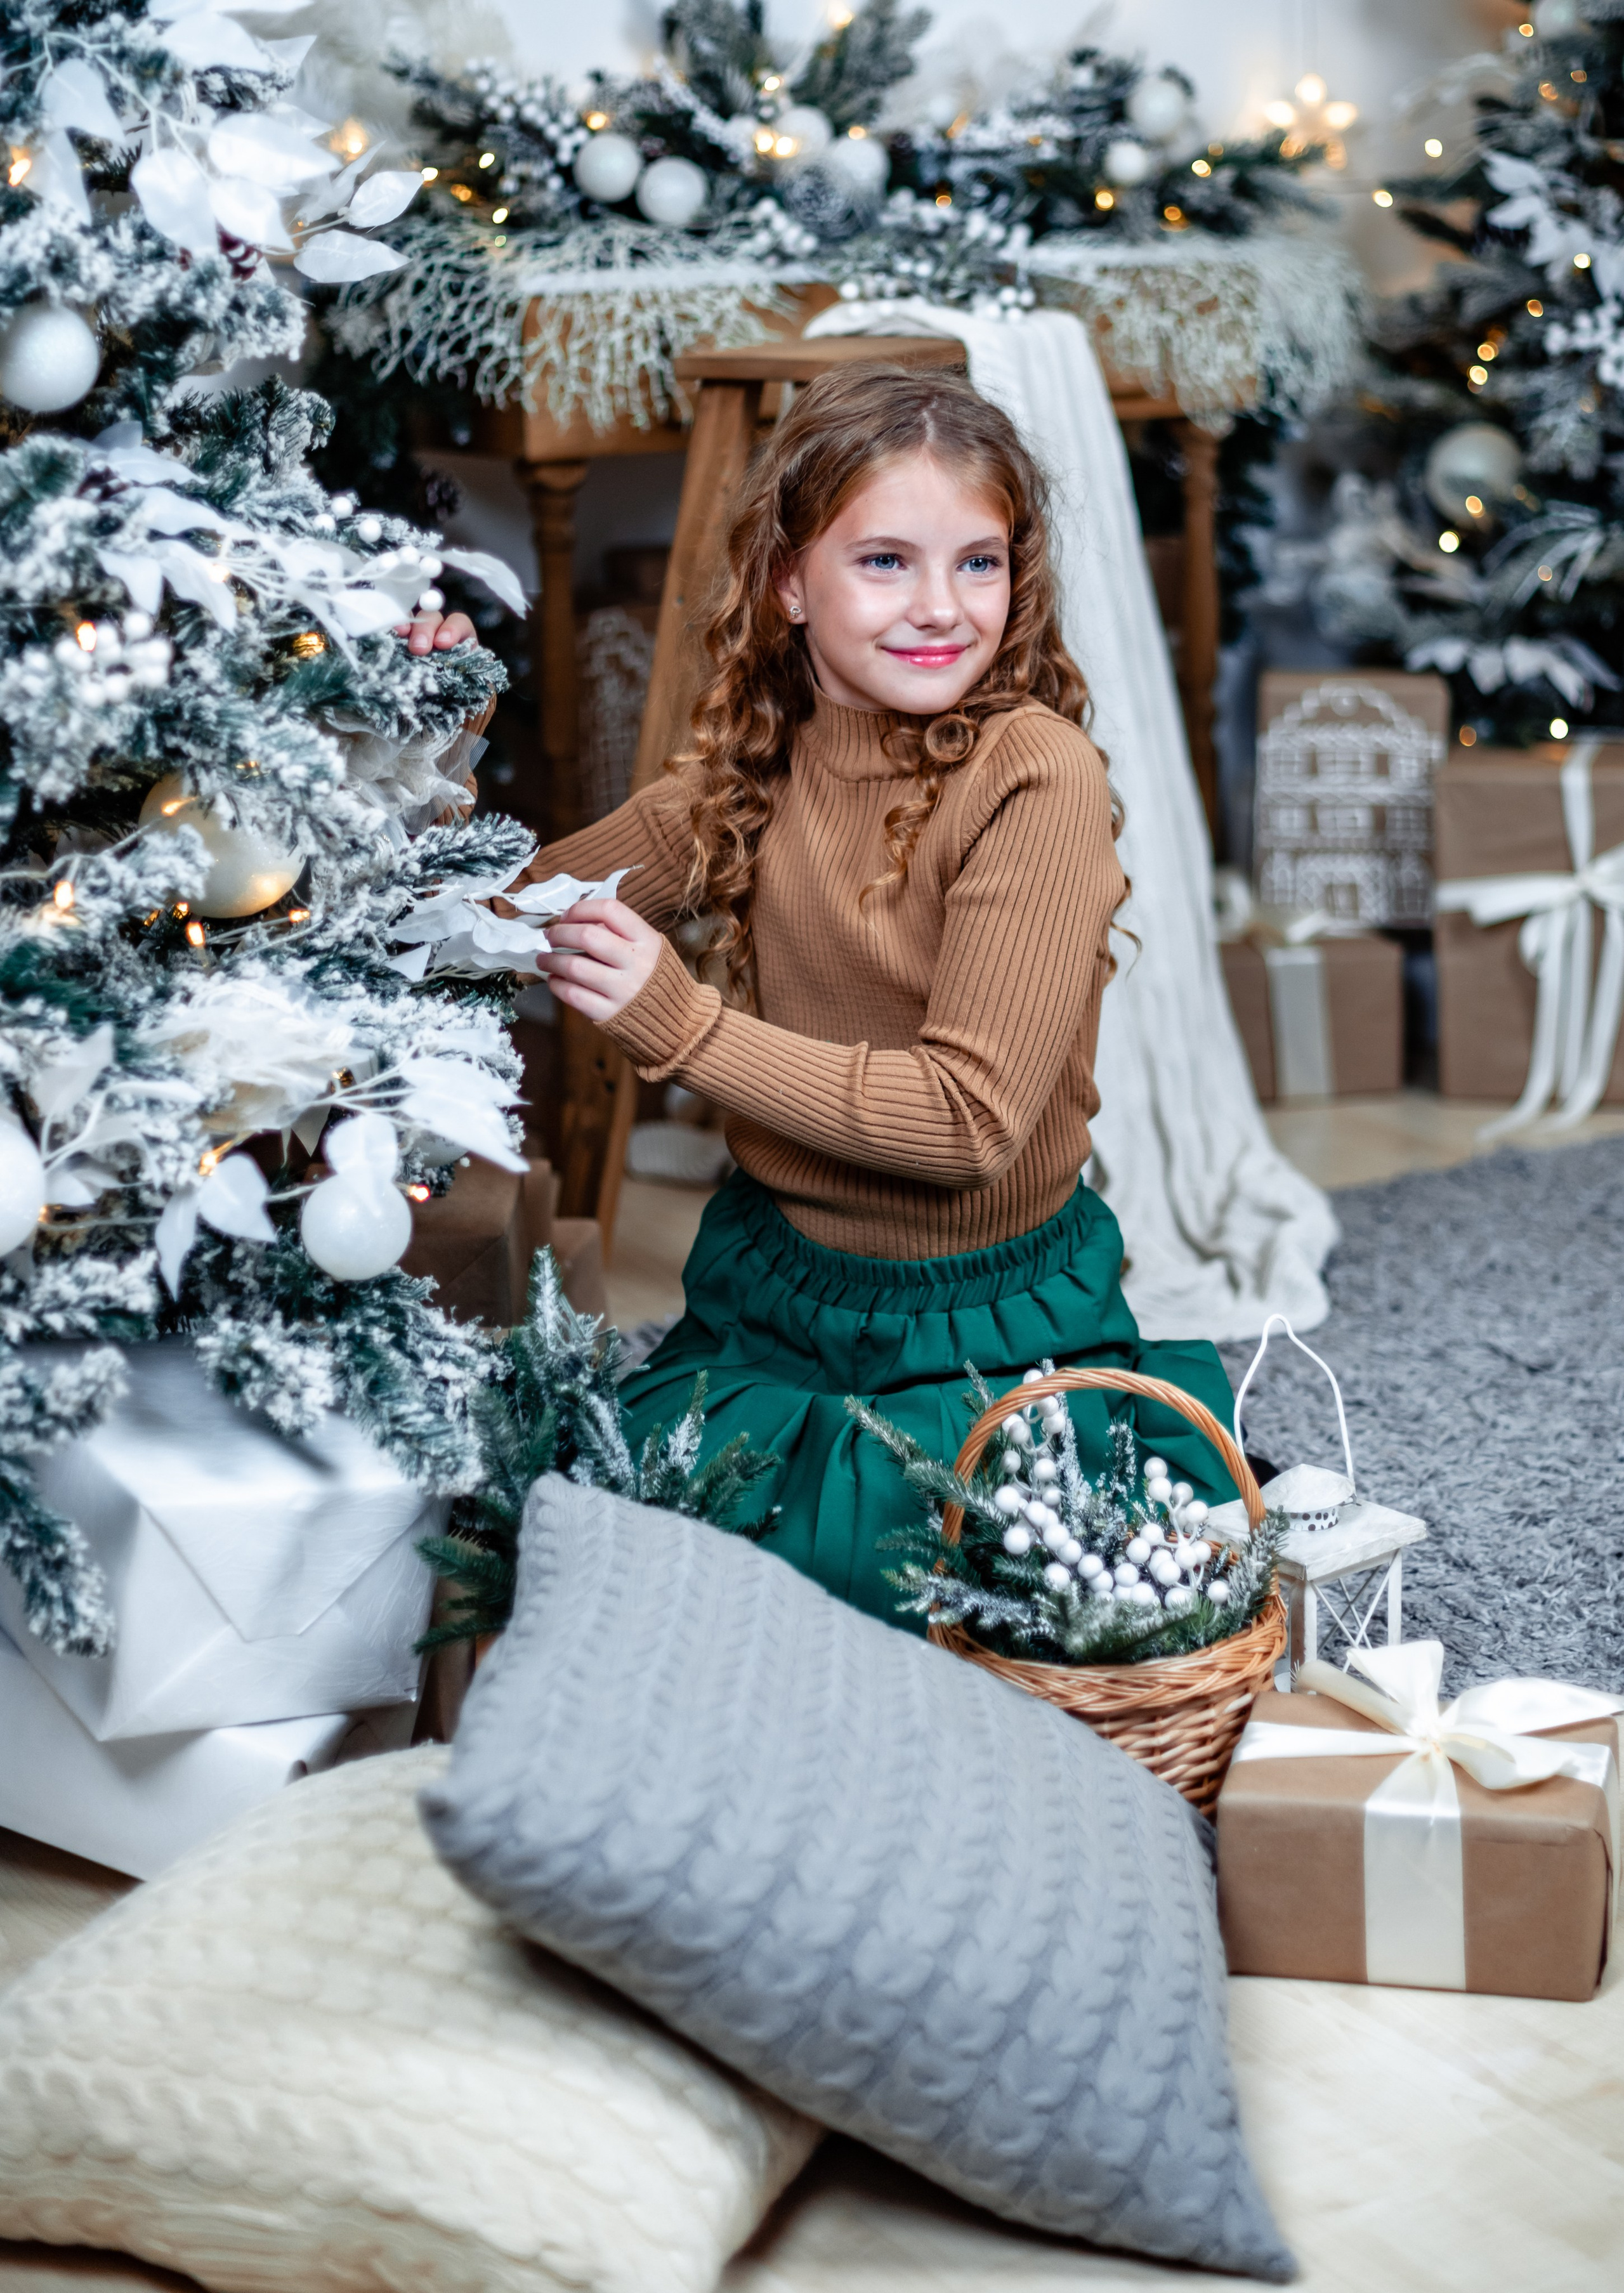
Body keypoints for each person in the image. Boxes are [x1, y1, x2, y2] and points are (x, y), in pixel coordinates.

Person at [412, 364, 1237, 1628]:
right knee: (591, 1559)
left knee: (906, 1609)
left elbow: (965, 1124)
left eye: (977, 562)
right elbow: (492, 917)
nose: (940, 607)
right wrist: (432, 743)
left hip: (976, 1321)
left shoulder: (1033, 774)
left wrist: (679, 1024)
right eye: (884, 562)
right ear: (789, 582)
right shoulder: (754, 765)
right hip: (775, 1291)